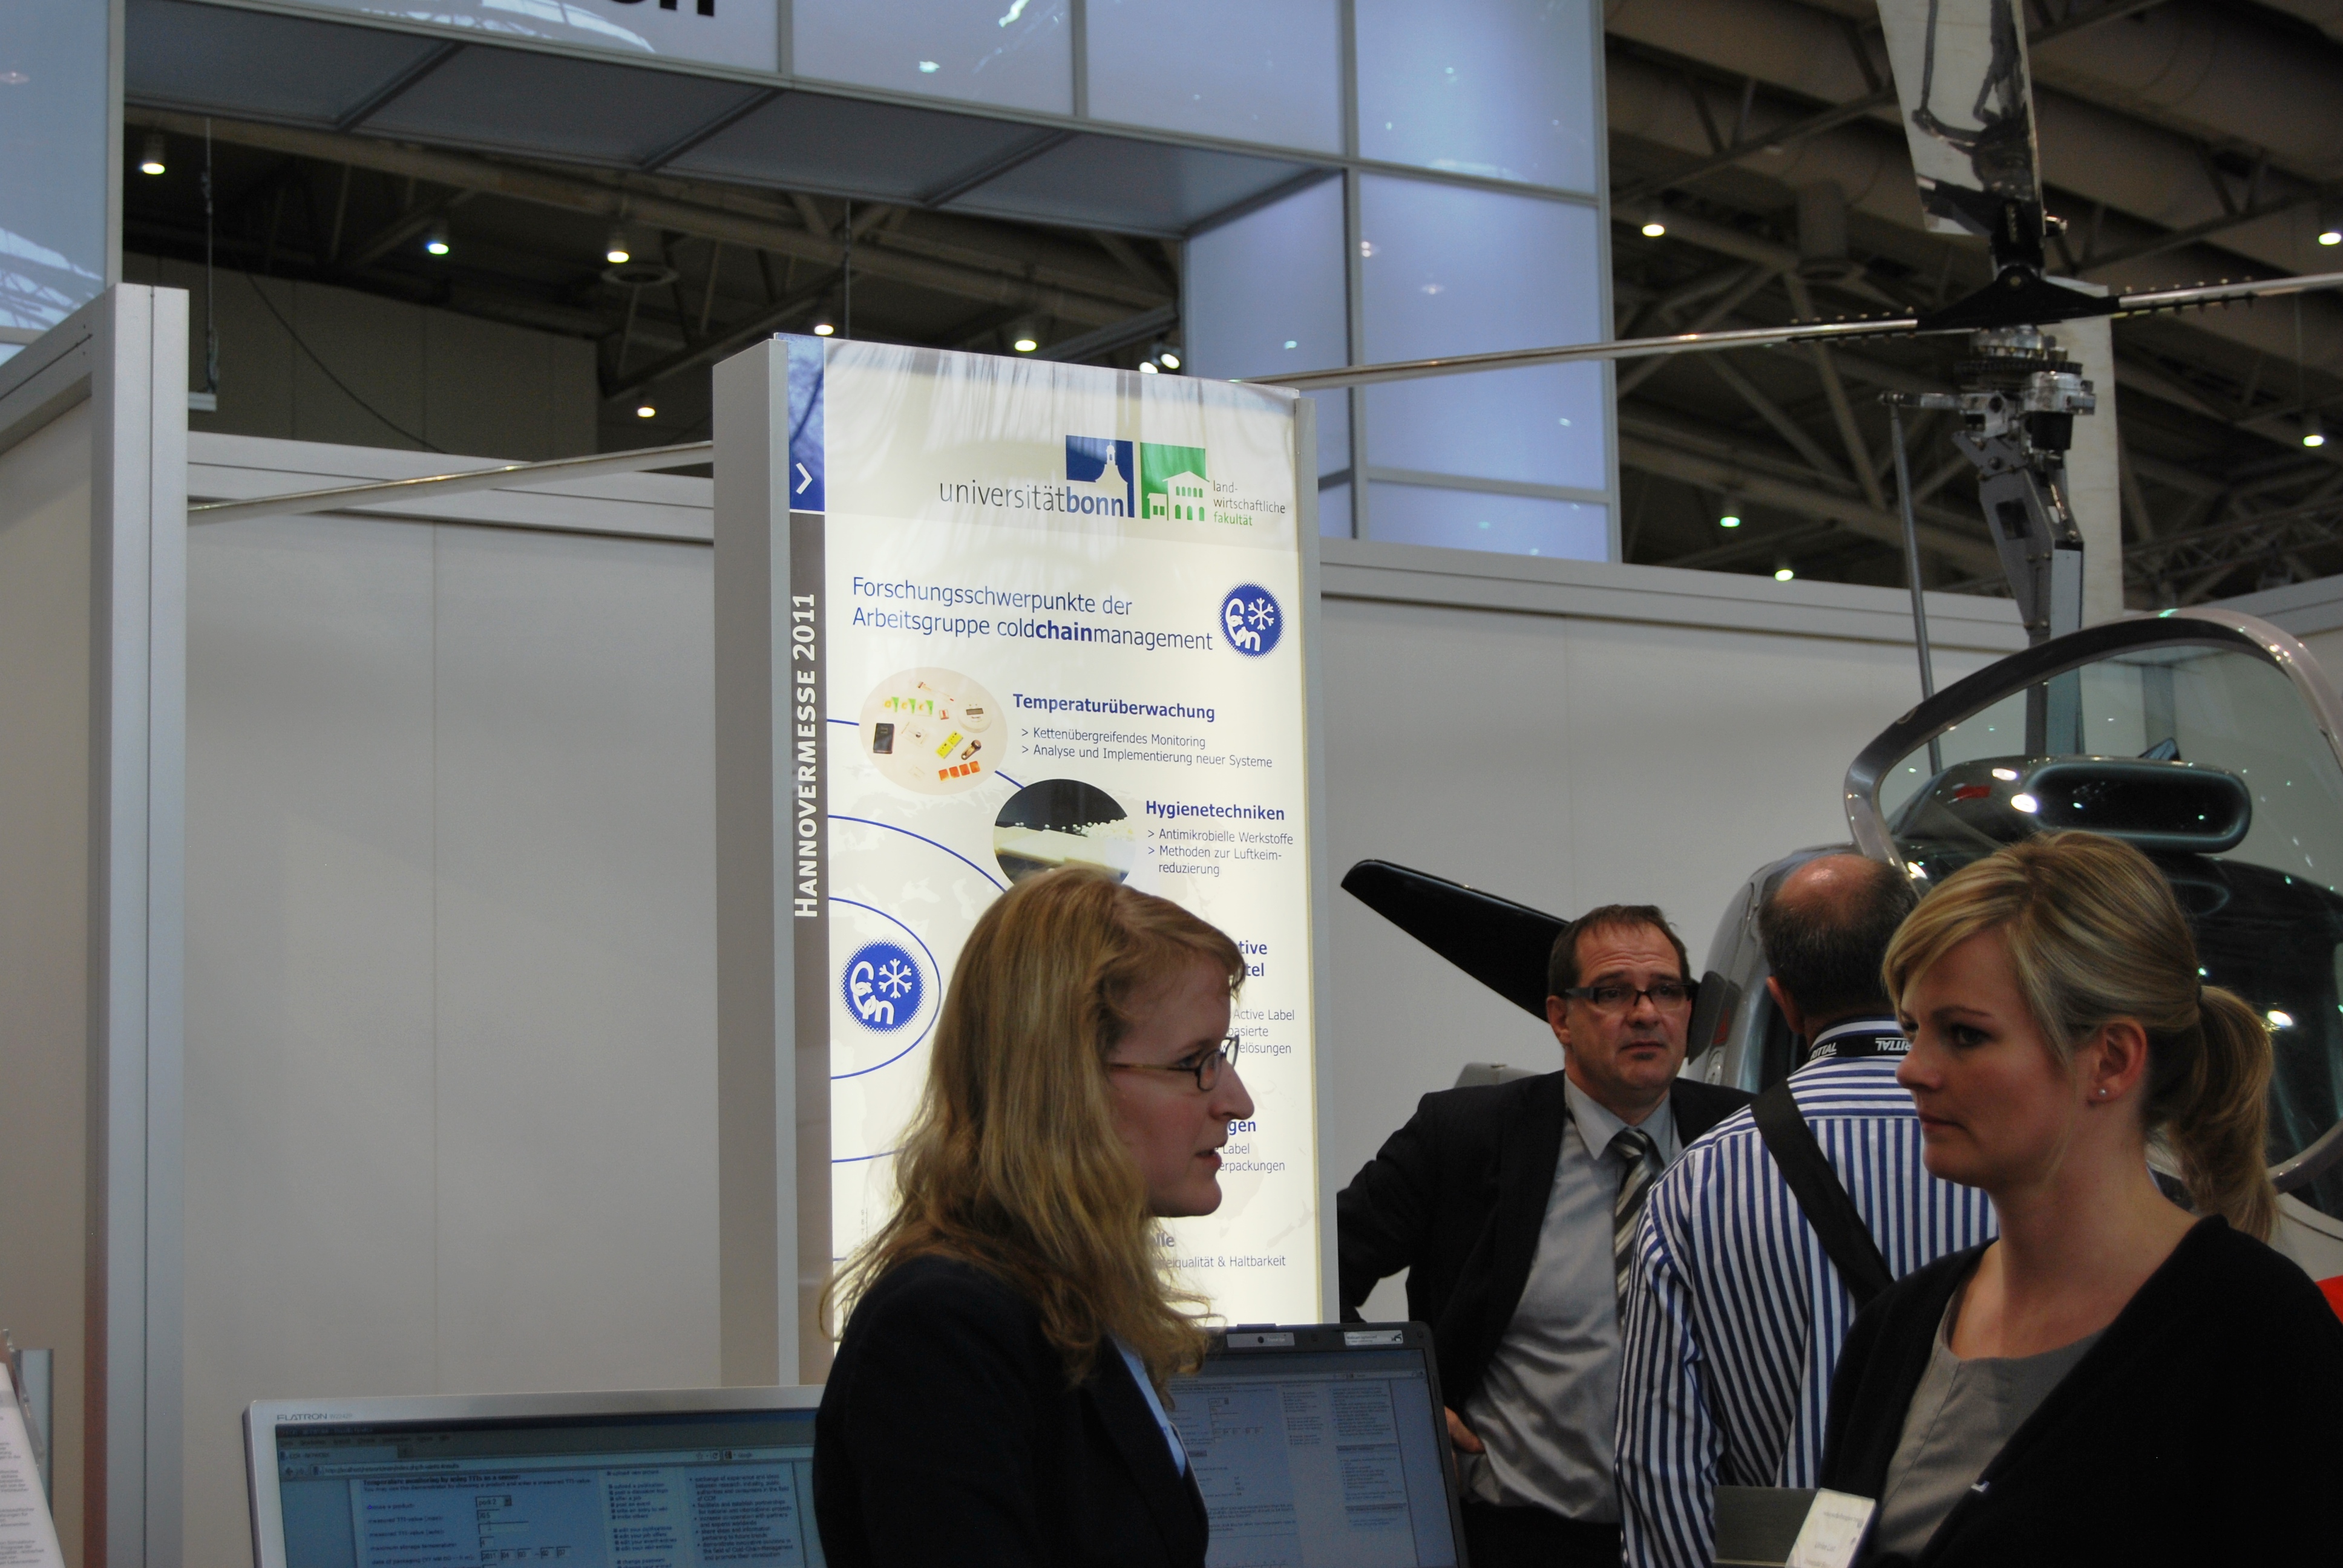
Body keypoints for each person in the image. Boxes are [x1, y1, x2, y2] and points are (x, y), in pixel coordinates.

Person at [1817, 831, 2343, 1566]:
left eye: (1963, 1035)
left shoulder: (2258, 1336)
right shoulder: (1896, 1329)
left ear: (2111, 1059)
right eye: (1911, 1028)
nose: (1911, 1069)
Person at [814, 865, 1256, 1568]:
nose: (1236, 1101)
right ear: (1067, 1083)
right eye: (1195, 1061)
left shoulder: (1073, 1300)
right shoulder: (942, 1330)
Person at [1338, 903, 1752, 1568]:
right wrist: (1397, 1399)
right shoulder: (1464, 1135)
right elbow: (1318, 1269)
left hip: (1708, 1540)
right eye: (1612, 993)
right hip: (1520, 1541)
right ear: (1560, 1017)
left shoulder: (1748, 1136)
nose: (1646, 1014)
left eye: (1666, 991)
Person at [1616, 854, 1996, 1568]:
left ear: (1782, 1001)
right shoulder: (2009, 1154)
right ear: (1917, 964)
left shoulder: (1695, 1182)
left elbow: (1659, 1469)